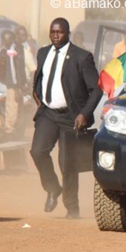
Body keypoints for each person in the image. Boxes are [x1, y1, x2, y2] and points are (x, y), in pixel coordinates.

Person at [29, 17, 102, 219]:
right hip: (48, 113)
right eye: (52, 32)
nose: (55, 35)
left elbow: (96, 90)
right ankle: (53, 188)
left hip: (72, 116)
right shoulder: (43, 53)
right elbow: (40, 78)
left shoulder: (81, 57)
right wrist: (37, 95)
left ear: (67, 33)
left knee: (67, 163)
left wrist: (84, 114)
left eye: (59, 32)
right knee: (37, 152)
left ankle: (72, 207)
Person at [0, 30, 28, 139]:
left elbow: (17, 68)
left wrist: (18, 85)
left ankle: (11, 130)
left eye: (7, 39)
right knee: (12, 106)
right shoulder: (13, 48)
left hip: (15, 84)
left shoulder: (15, 48)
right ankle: (11, 129)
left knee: (13, 106)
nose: (5, 41)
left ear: (12, 38)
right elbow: (14, 68)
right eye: (4, 39)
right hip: (14, 83)